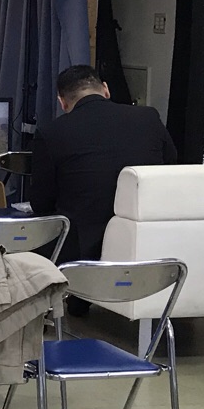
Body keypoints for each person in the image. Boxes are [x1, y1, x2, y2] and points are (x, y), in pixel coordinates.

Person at [30, 65, 177, 264]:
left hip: (80, 255)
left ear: (62, 102)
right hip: (146, 246)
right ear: (106, 89)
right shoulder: (148, 118)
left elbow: (41, 203)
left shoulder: (51, 133)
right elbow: (170, 168)